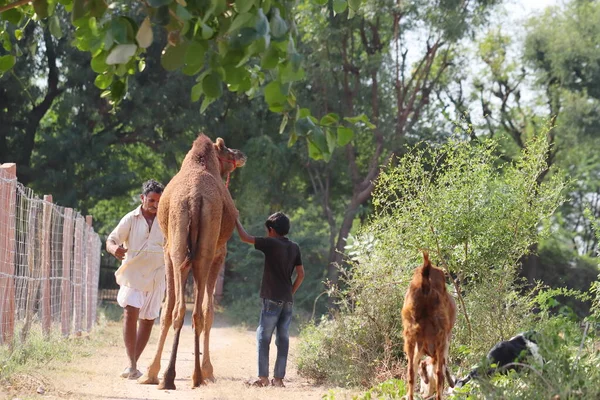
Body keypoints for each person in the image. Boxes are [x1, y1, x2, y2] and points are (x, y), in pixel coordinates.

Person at [235, 212, 305, 388]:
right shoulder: (294, 247)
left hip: (272, 298)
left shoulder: (271, 243)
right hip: (287, 300)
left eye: (267, 230)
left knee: (263, 336)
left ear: (272, 230)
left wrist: (236, 218)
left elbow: (244, 237)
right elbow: (301, 274)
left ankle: (263, 378)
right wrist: (291, 292)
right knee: (283, 339)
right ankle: (279, 380)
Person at [106, 179, 165, 380]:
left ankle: (133, 363)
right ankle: (131, 364)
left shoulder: (166, 220)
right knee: (130, 313)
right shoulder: (131, 218)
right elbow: (111, 240)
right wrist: (115, 249)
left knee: (148, 320)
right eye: (151, 200)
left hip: (157, 277)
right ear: (143, 198)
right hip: (133, 275)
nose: (155, 205)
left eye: (159, 201)